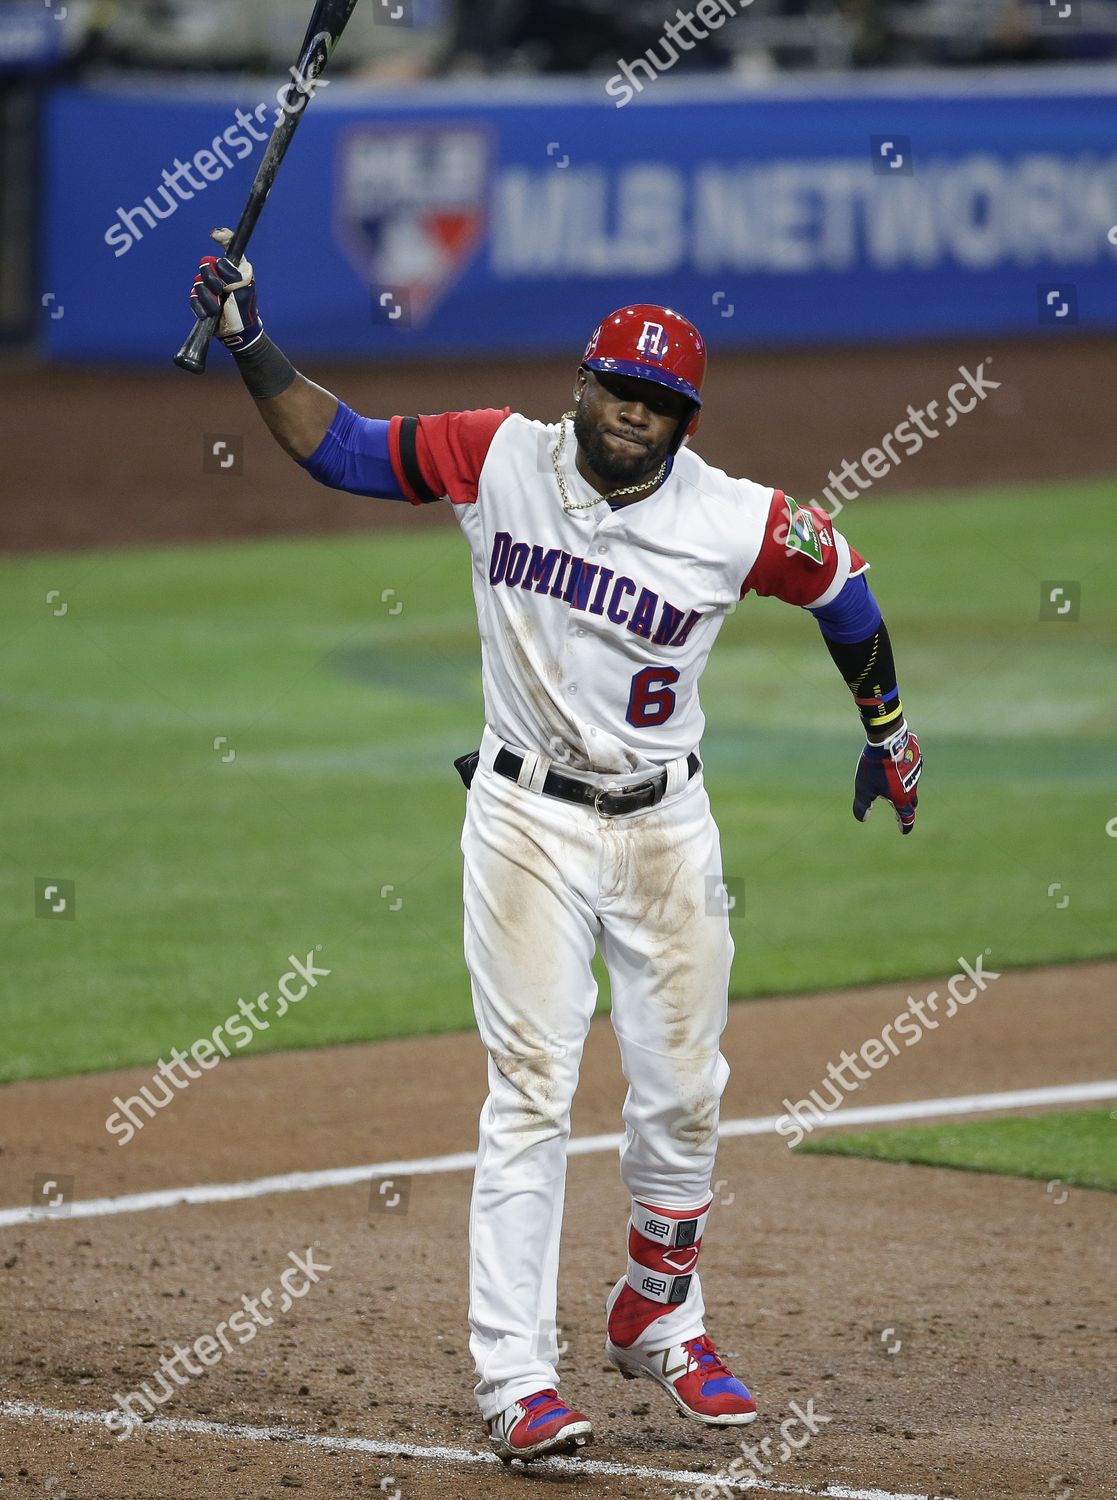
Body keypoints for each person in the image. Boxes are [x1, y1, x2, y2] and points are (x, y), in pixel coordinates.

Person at [189, 237, 923, 1464]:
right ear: (580, 383)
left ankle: (657, 1311)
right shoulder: (497, 455)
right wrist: (252, 342)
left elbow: (844, 587)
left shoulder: (734, 520)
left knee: (685, 1092)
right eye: (616, 390)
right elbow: (344, 448)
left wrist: (889, 731)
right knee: (531, 1092)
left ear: (685, 420)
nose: (632, 415)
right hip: (523, 820)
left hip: (665, 828)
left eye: (658, 403)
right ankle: (514, 1378)